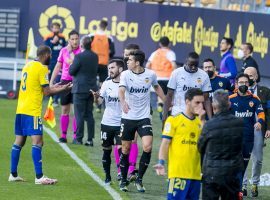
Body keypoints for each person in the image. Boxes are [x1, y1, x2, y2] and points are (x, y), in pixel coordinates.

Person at [8, 45, 71, 184]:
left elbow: (42, 88)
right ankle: (39, 177)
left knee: (19, 141)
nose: (51, 58)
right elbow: (47, 92)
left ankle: (13, 174)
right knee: (38, 142)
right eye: (50, 55)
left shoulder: (28, 65)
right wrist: (62, 90)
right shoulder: (42, 68)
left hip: (21, 109)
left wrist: (60, 86)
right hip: (32, 111)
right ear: (46, 55)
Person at [118, 50, 166, 192]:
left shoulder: (150, 75)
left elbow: (157, 87)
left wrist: (167, 103)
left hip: (144, 116)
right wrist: (122, 103)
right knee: (126, 149)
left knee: (147, 147)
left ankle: (139, 179)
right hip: (128, 117)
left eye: (130, 60)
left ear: (137, 62)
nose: (127, 62)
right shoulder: (126, 74)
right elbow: (121, 90)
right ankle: (124, 179)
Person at [154, 88, 205, 200]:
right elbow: (165, 143)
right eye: (197, 102)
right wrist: (161, 162)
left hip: (196, 176)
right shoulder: (173, 120)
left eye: (202, 103)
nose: (200, 106)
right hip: (178, 175)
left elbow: (206, 145)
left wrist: (202, 122)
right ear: (187, 101)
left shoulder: (201, 122)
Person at [198, 89, 244, 200]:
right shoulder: (239, 123)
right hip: (232, 174)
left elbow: (200, 147)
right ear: (229, 104)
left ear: (214, 106)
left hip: (211, 174)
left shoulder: (209, 125)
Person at [229, 73, 265, 195]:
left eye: (245, 82)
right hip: (234, 137)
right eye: (241, 82)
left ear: (248, 84)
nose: (243, 85)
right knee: (234, 163)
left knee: (244, 164)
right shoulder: (230, 98)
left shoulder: (255, 99)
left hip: (248, 137)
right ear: (236, 84)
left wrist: (259, 122)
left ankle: (240, 188)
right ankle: (237, 188)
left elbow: (261, 113)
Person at [92, 59, 124, 185]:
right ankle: (107, 176)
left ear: (120, 69)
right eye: (109, 68)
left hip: (122, 123)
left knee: (122, 149)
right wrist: (95, 98)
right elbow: (100, 102)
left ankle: (121, 173)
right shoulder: (106, 84)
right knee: (106, 150)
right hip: (107, 122)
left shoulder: (126, 84)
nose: (110, 70)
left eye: (112, 68)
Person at [113, 43, 140, 182]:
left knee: (133, 140)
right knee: (120, 143)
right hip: (119, 111)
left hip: (135, 111)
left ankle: (131, 169)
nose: (125, 56)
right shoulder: (120, 70)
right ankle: (120, 169)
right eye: (125, 53)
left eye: (128, 54)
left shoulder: (142, 73)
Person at [162, 52, 212, 124]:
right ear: (186, 62)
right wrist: (164, 116)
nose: (193, 67)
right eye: (191, 65)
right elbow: (169, 95)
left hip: (195, 116)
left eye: (196, 65)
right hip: (178, 114)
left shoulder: (204, 75)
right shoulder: (176, 73)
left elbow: (206, 99)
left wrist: (210, 119)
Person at [242, 67, 270, 197]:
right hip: (243, 129)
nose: (248, 78)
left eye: (251, 76)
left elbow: (268, 112)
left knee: (257, 159)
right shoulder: (238, 92)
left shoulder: (265, 92)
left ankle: (254, 183)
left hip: (259, 130)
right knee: (242, 157)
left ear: (257, 76)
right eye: (246, 76)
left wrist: (268, 128)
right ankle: (243, 185)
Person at [50, 30, 81, 143]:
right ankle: (63, 136)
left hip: (77, 82)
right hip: (65, 82)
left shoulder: (81, 52)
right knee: (64, 109)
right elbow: (58, 66)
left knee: (76, 111)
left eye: (76, 39)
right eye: (72, 39)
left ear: (79, 39)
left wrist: (71, 53)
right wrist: (52, 81)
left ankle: (75, 137)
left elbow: (73, 63)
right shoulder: (63, 50)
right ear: (68, 40)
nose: (74, 41)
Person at [69, 36, 98, 146]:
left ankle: (79, 138)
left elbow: (71, 71)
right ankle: (90, 140)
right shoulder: (95, 56)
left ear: (81, 45)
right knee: (89, 114)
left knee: (79, 115)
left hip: (80, 88)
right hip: (91, 88)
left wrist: (72, 62)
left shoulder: (79, 56)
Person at [146, 36, 177, 117]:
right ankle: (166, 112)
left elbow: (148, 65)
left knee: (160, 96)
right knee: (168, 97)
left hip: (157, 79)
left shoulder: (155, 53)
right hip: (168, 78)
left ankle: (160, 105)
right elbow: (173, 65)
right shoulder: (170, 53)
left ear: (160, 44)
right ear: (169, 44)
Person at [89, 19, 115, 113]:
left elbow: (86, 48)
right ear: (106, 27)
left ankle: (92, 102)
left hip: (93, 62)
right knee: (102, 84)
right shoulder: (109, 37)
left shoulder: (91, 35)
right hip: (104, 63)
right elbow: (112, 52)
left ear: (98, 25)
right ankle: (99, 105)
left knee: (92, 82)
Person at [44, 22, 66, 106]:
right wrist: (53, 42)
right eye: (54, 28)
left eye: (57, 28)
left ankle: (56, 99)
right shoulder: (48, 37)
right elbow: (46, 49)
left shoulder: (63, 37)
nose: (56, 29)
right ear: (51, 29)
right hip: (51, 62)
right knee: (50, 80)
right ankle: (50, 98)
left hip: (60, 62)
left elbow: (65, 49)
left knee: (59, 79)